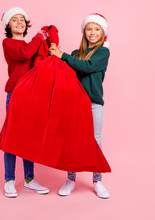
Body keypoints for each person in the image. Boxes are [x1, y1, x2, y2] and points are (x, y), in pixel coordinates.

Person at [49, 13, 111, 198]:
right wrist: (56, 55)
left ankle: (97, 181)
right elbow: (68, 71)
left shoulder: (103, 52)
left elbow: (88, 66)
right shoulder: (76, 54)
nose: (92, 32)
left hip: (93, 103)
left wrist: (63, 55)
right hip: (74, 104)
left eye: (97, 29)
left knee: (95, 141)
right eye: (89, 29)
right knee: (71, 141)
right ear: (84, 32)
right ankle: (70, 180)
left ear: (102, 33)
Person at [0, 7, 49, 198]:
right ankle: (9, 180)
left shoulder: (31, 44)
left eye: (22, 19)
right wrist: (40, 37)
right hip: (15, 95)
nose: (19, 22)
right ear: (8, 26)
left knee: (29, 139)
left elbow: (37, 61)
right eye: (14, 20)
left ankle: (29, 180)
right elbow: (25, 53)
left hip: (30, 96)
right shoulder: (8, 43)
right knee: (12, 138)